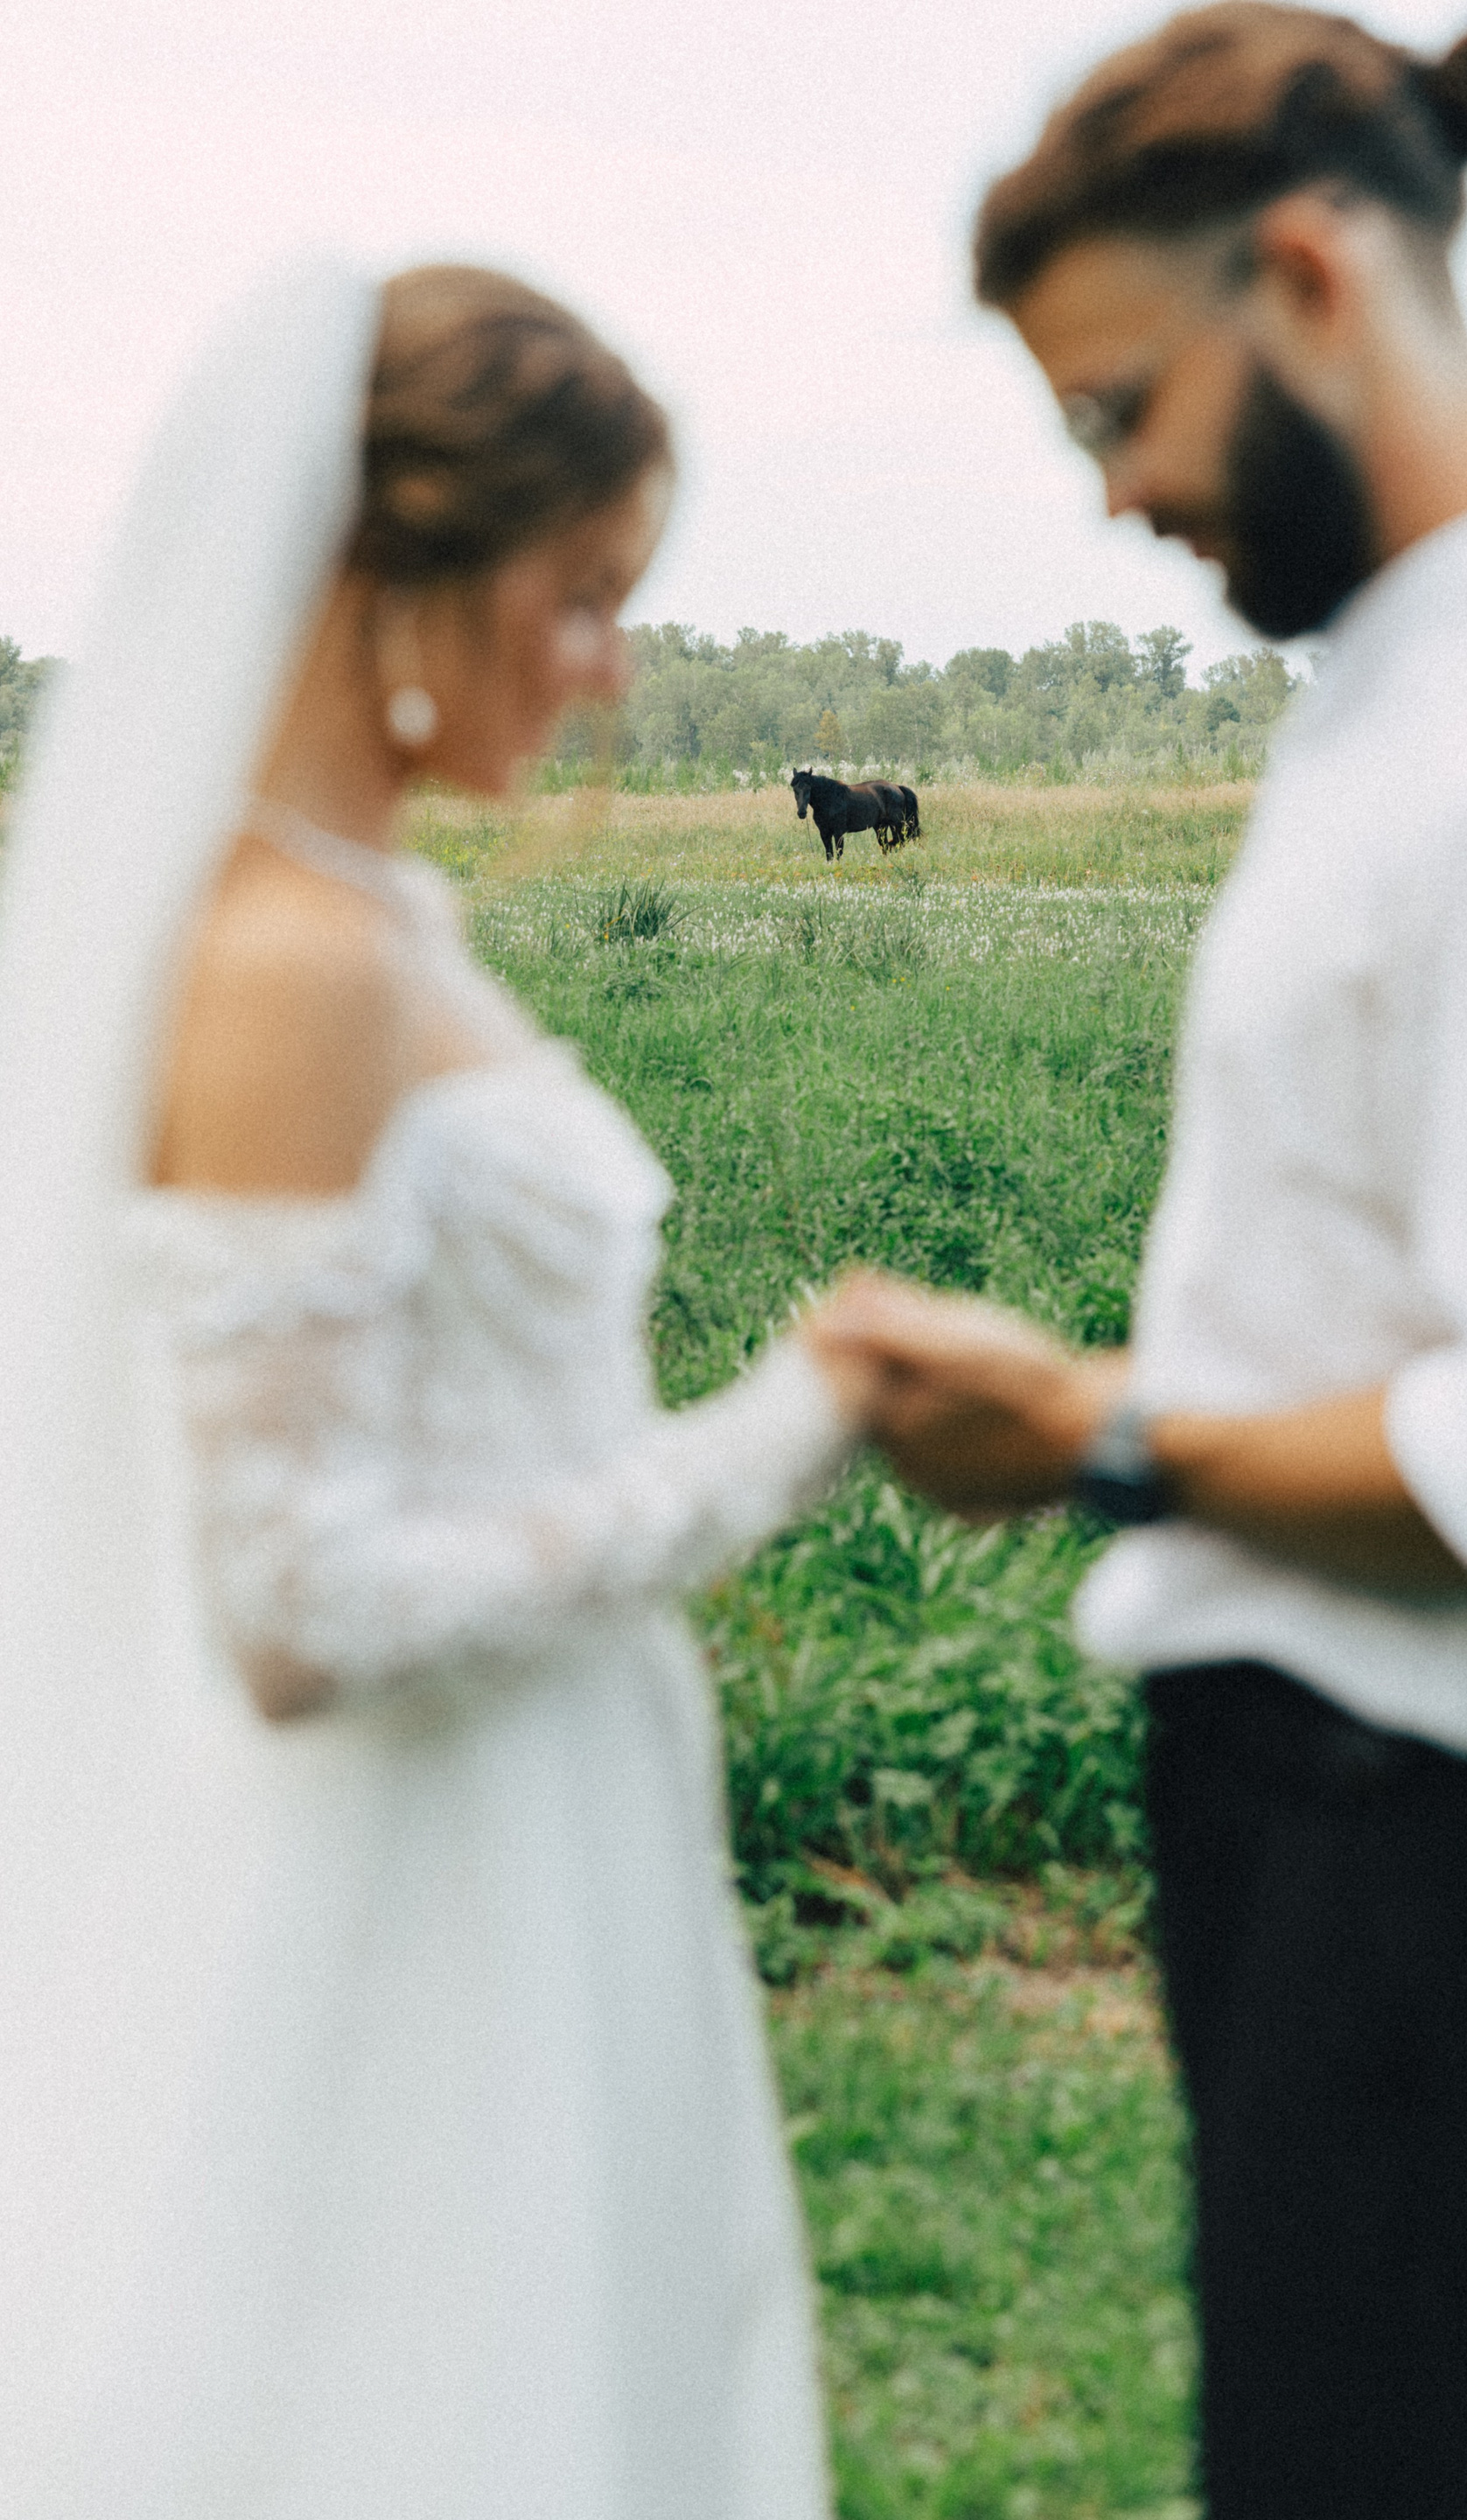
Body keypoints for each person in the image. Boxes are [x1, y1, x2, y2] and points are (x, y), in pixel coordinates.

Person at [809, 10, 1467, 2516]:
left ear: (1309, 275)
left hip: (1451, 1848)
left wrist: (1096, 1435)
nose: (1112, 497)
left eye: (1120, 408)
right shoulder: (1415, 693)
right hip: (1346, 1814)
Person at [0, 262, 879, 2517]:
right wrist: (788, 1427)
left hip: (555, 1791)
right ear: (392, 570)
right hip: (417, 1851)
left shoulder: (386, 913)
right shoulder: (290, 967)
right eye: (578, 598)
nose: (609, 669)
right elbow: (296, 1605)